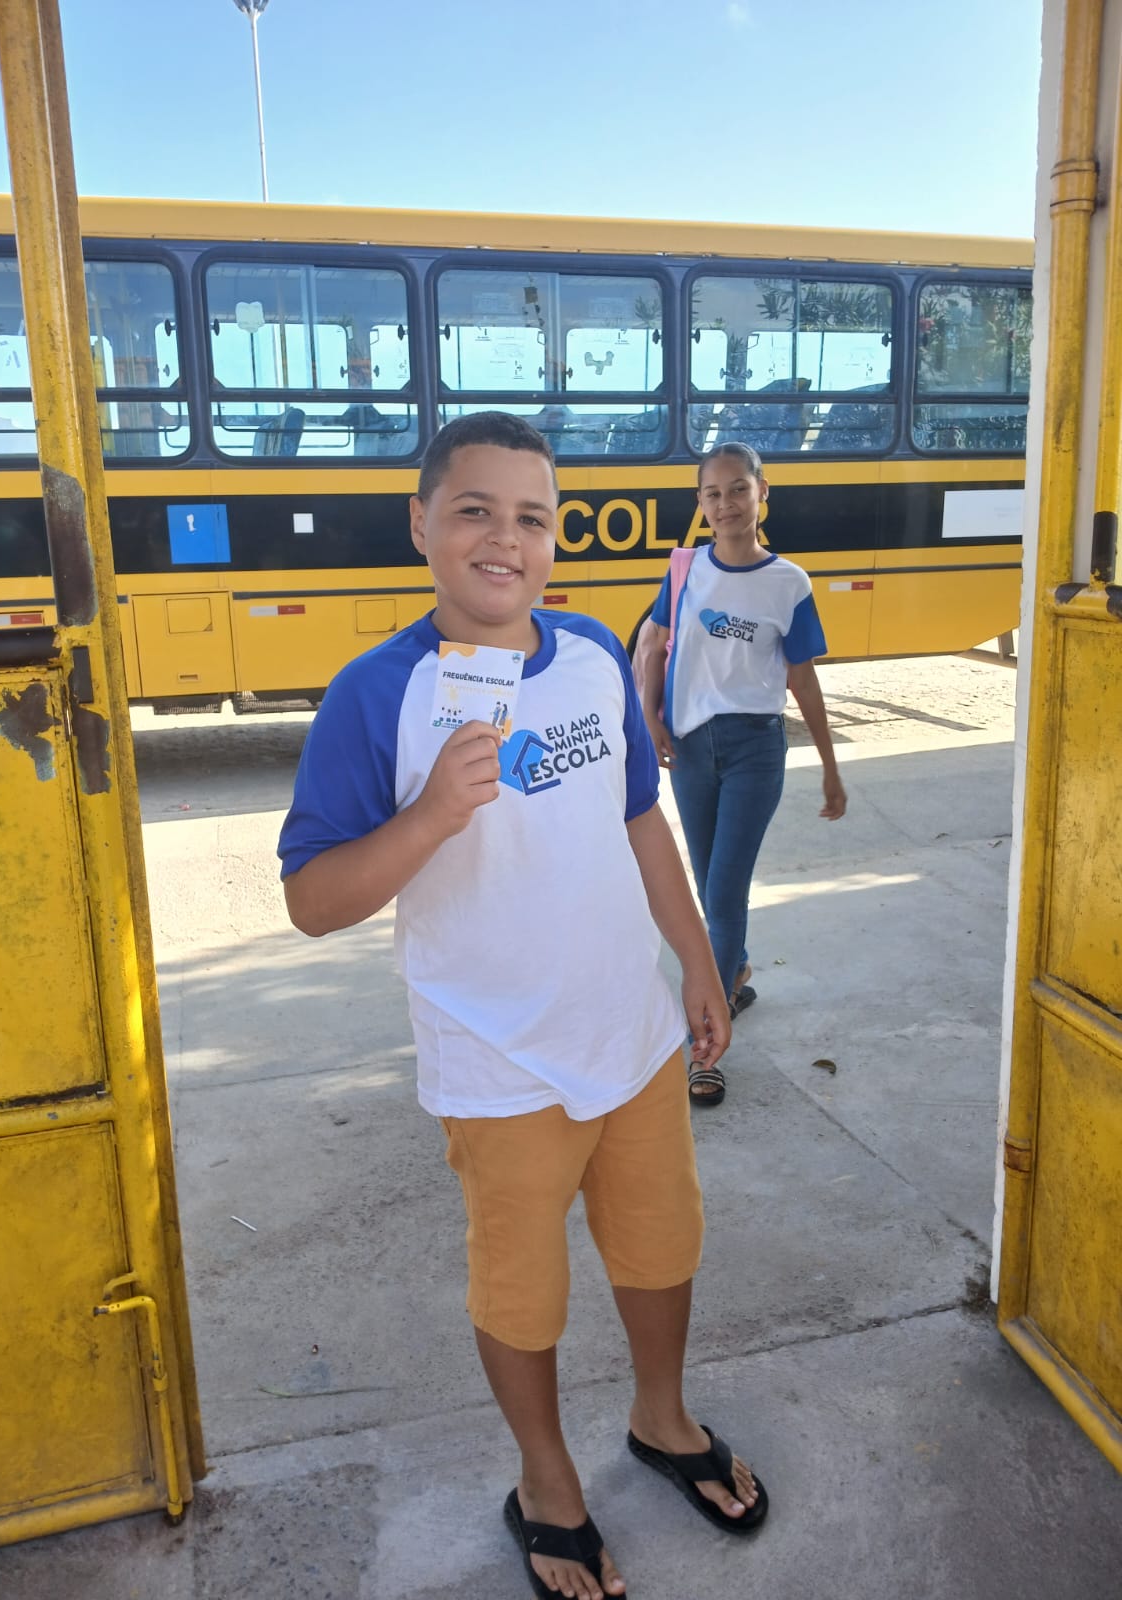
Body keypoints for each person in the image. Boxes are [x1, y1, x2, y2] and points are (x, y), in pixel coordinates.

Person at [279, 413, 769, 1600]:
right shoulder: (377, 694)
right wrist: (427, 818)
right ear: (421, 525)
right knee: (522, 1289)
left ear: (555, 538)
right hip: (499, 1064)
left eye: (531, 517)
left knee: (662, 1243)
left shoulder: (595, 653)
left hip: (632, 1035)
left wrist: (699, 964)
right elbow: (310, 898)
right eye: (475, 511)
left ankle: (662, 1418)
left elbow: (639, 817)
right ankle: (547, 1483)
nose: (505, 539)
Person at [635, 441, 846, 1108]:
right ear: (700, 504)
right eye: (713, 493)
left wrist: (830, 766)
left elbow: (803, 678)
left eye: (737, 490)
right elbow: (652, 645)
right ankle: (736, 970)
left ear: (762, 494)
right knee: (710, 890)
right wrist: (650, 720)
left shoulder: (789, 583)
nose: (725, 504)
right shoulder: (685, 569)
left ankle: (703, 1049)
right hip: (691, 751)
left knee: (722, 900)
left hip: (755, 750)